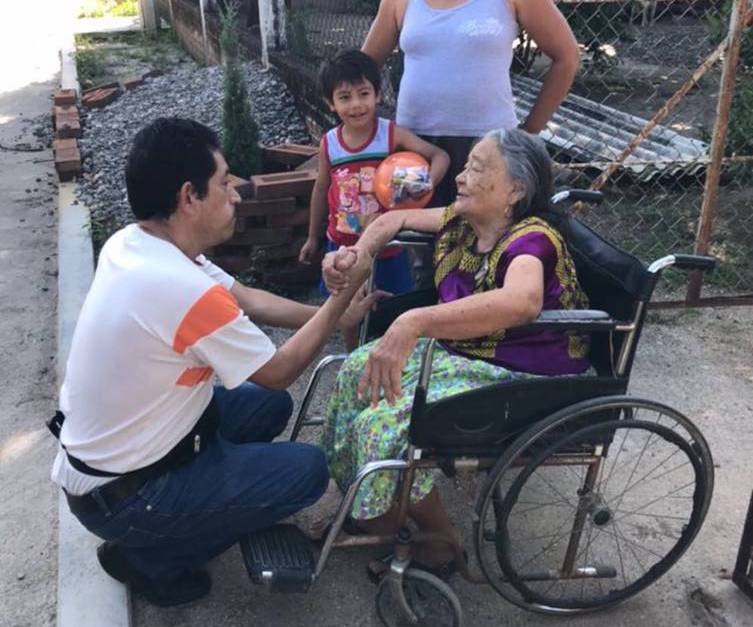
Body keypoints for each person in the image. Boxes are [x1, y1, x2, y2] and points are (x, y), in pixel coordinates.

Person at [50, 117, 376, 607]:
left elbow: (249, 299)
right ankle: (153, 559)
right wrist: (340, 301)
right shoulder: (179, 288)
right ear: (189, 197)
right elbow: (279, 370)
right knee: (309, 470)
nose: (236, 194)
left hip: (112, 466)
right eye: (224, 183)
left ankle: (199, 496)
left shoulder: (139, 243)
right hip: (125, 497)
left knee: (269, 407)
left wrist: (335, 312)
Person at [320, 128, 590, 572]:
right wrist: (356, 255)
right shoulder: (468, 221)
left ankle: (439, 541)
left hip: (521, 374)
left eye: (477, 169)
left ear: (515, 190)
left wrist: (414, 322)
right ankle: (371, 506)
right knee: (357, 371)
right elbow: (392, 221)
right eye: (465, 167)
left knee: (386, 424)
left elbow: (522, 301)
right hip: (470, 352)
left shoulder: (531, 239)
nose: (461, 177)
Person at [362, 0, 580, 207]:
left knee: (484, 229)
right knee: (413, 227)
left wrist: (528, 132)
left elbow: (566, 57)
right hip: (416, 149)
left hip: (489, 147)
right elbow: (362, 69)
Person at [298, 49, 450, 343]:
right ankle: (352, 360)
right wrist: (313, 237)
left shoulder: (390, 135)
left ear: (377, 94)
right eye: (345, 97)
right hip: (343, 249)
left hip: (387, 246)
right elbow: (321, 188)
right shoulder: (329, 143)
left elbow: (439, 155)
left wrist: (426, 183)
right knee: (348, 314)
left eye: (364, 93)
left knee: (395, 310)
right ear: (330, 103)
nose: (356, 104)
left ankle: (393, 356)